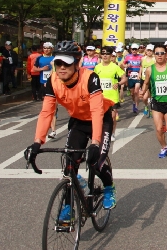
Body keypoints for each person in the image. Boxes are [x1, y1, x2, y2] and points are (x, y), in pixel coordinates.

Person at [25, 40, 116, 217]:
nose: (62, 68)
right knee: (69, 166)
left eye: (67, 63)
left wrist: (95, 142)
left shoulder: (90, 78)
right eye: (58, 63)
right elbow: (47, 112)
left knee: (96, 162)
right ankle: (68, 205)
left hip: (101, 119)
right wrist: (37, 142)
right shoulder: (53, 80)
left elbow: (97, 111)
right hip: (78, 121)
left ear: (77, 63)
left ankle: (109, 187)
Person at [141, 45, 167, 158]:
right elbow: (146, 83)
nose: (159, 56)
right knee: (159, 128)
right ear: (154, 54)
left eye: (162, 53)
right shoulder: (150, 69)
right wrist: (143, 91)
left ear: (166, 54)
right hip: (156, 103)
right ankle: (164, 147)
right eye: (157, 53)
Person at [94, 46, 127, 140]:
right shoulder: (97, 67)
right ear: (101, 55)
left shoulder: (115, 67)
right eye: (103, 53)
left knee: (112, 117)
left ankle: (112, 133)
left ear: (111, 55)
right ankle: (100, 133)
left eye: (107, 53)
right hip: (100, 97)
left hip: (112, 97)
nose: (105, 55)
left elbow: (124, 78)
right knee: (100, 117)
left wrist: (119, 83)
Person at [122, 43, 143, 114]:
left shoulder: (141, 56)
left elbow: (142, 66)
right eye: (133, 49)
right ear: (131, 49)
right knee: (132, 93)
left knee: (136, 91)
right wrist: (126, 65)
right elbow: (123, 64)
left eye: (135, 49)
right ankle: (134, 103)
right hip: (130, 76)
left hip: (137, 76)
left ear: (137, 50)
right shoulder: (127, 56)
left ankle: (136, 106)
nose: (134, 50)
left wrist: (140, 73)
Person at [140, 44, 156, 114]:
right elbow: (141, 67)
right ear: (146, 51)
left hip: (152, 80)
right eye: (148, 50)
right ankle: (146, 105)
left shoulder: (154, 59)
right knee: (144, 97)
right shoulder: (143, 59)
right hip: (144, 80)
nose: (149, 52)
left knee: (153, 96)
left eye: (150, 51)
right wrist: (139, 74)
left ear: (152, 51)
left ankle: (153, 108)